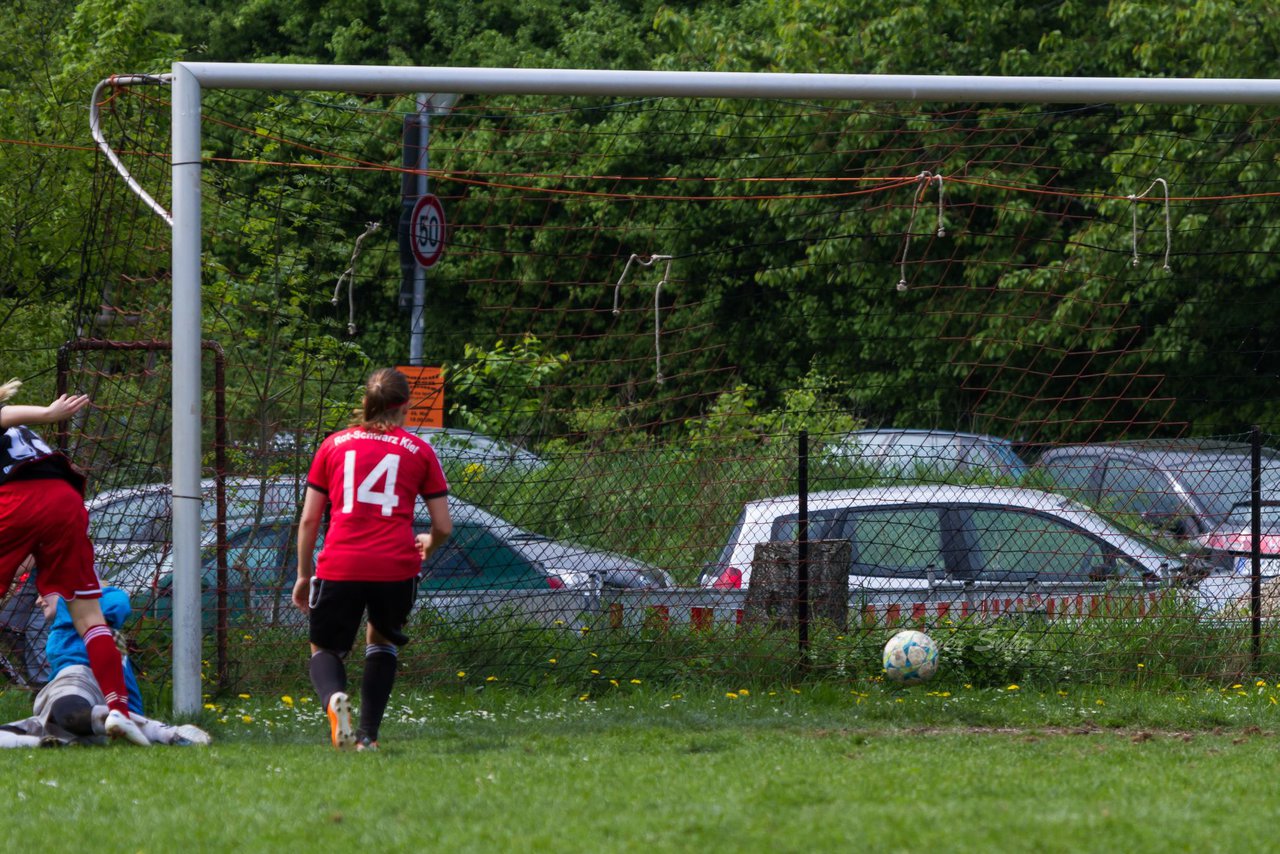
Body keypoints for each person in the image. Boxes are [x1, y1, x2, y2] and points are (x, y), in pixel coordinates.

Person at [293, 368, 451, 751]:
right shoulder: (421, 451)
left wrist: (303, 575)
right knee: (380, 642)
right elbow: (443, 526)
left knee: (325, 649)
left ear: (366, 403)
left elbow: (310, 519)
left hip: (342, 563)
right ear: (406, 407)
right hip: (395, 567)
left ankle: (333, 699)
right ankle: (368, 737)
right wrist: (427, 545)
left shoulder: (333, 445)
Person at [0, 378, 150, 745]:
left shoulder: (10, 422)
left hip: (18, 499)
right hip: (66, 501)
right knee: (88, 616)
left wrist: (49, 414)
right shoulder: (19, 439)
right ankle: (120, 711)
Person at [0, 586, 210, 748]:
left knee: (68, 712)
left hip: (79, 679)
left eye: (43, 593)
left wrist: (71, 602)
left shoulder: (83, 613)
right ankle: (47, 744)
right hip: (68, 692)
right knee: (63, 717)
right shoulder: (63, 629)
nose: (38, 601)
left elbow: (118, 603)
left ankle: (167, 732)